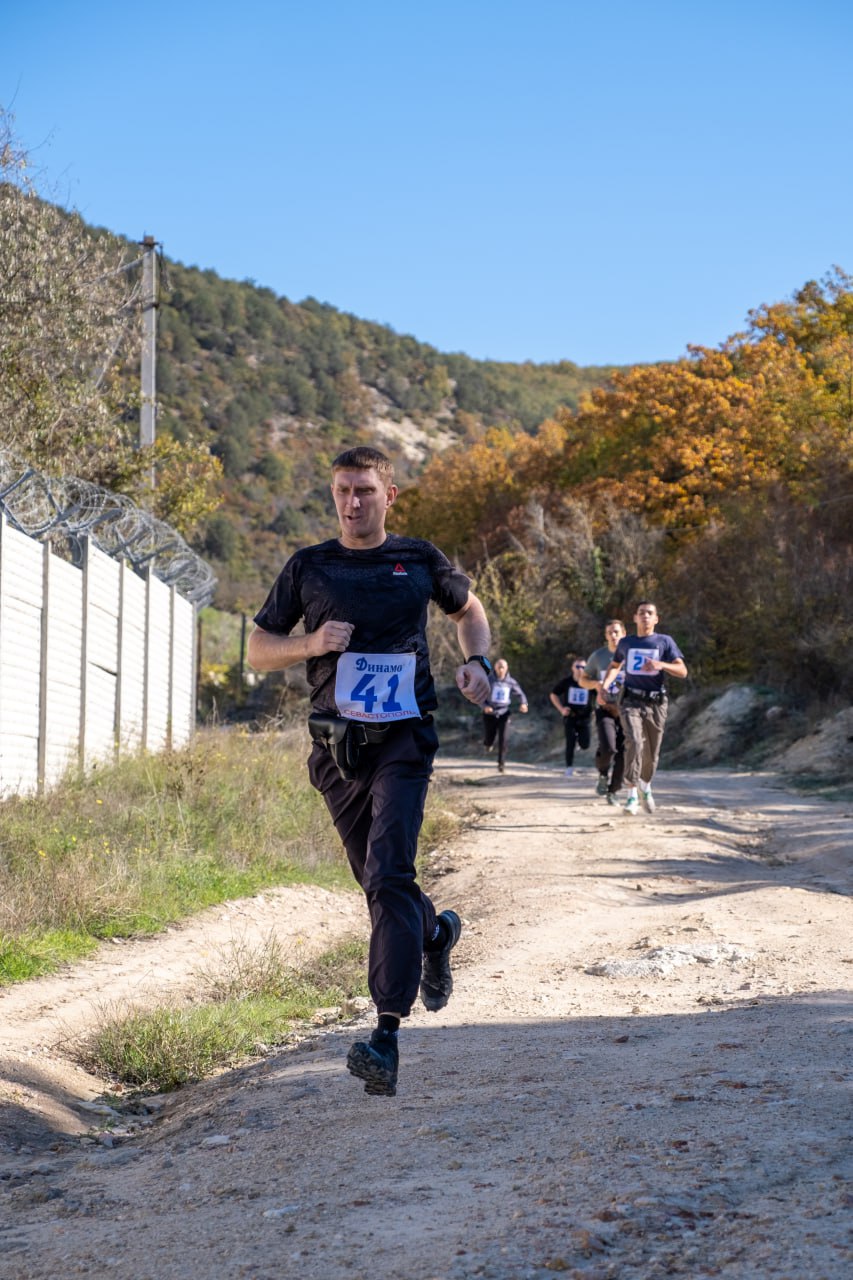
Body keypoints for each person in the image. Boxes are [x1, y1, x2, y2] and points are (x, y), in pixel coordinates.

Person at [247, 446, 492, 1099]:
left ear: (389, 496)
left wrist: (481, 665)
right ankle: (435, 935)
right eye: (341, 491)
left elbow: (469, 611)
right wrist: (310, 643)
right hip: (335, 748)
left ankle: (384, 1034)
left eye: (363, 490)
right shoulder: (309, 566)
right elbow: (257, 647)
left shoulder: (418, 559)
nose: (352, 503)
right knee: (375, 882)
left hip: (405, 740)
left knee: (389, 873)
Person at [602, 601, 687, 815]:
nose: (645, 616)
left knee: (652, 752)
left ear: (656, 619)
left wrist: (662, 665)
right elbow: (614, 666)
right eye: (641, 613)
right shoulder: (626, 643)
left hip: (656, 702)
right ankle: (631, 795)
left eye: (650, 613)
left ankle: (645, 787)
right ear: (635, 618)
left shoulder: (665, 642)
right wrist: (605, 685)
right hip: (630, 700)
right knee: (634, 741)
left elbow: (682, 670)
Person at [578, 619, 627, 805]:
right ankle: (603, 774)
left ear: (623, 633)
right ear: (606, 636)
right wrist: (596, 684)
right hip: (604, 708)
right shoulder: (598, 656)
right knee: (608, 747)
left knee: (624, 752)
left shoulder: (631, 655)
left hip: (627, 710)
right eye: (610, 633)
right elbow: (583, 680)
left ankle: (613, 791)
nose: (614, 636)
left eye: (616, 632)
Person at [549, 655, 593, 777]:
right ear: (572, 668)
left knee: (585, 745)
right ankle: (569, 767)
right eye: (577, 666)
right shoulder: (567, 682)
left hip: (585, 718)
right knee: (570, 742)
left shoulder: (589, 682)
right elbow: (553, 694)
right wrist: (561, 709)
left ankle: (581, 742)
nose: (580, 669)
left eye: (583, 667)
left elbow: (599, 693)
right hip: (570, 716)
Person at [482, 658, 528, 773]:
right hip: (490, 712)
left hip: (504, 713)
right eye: (499, 666)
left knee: (504, 738)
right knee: (489, 736)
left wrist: (523, 703)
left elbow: (520, 694)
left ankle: (501, 763)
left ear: (506, 668)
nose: (501, 669)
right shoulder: (488, 680)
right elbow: (480, 695)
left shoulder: (511, 682)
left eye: (503, 667)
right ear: (495, 668)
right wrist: (484, 706)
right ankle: (488, 744)